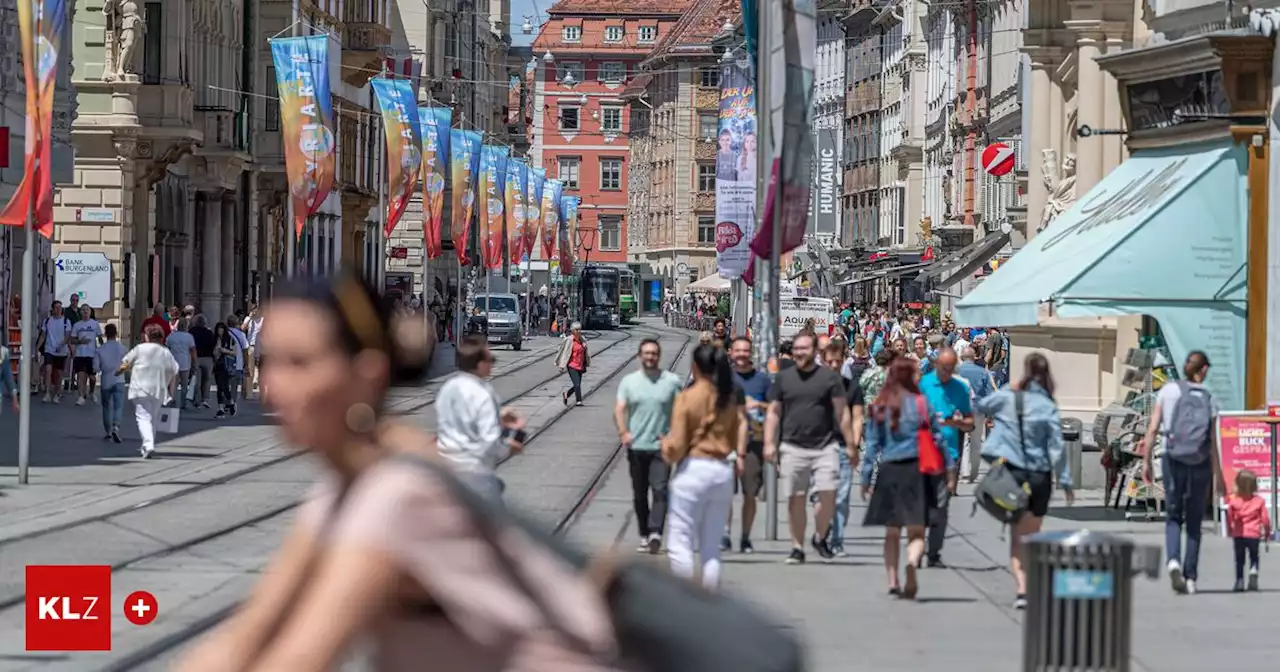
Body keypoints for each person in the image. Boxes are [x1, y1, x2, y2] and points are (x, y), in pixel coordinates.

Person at [174, 274, 617, 672]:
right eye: (269, 361)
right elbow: (249, 633)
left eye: (300, 363)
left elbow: (301, 657)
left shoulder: (400, 496)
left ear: (367, 375)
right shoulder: (345, 487)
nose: (273, 386)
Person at [977, 353, 1073, 609]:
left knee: (1017, 535)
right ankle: (1034, 583)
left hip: (1013, 473)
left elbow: (982, 405)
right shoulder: (1047, 404)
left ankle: (1022, 589)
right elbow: (1057, 447)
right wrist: (1065, 480)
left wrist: (1010, 387)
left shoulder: (1009, 397)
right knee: (1033, 533)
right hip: (1040, 476)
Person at [764, 332, 855, 564]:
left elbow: (842, 413)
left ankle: (819, 535)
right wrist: (769, 443)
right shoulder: (783, 379)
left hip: (825, 446)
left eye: (804, 349)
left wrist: (851, 444)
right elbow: (773, 412)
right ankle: (796, 546)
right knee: (796, 498)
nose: (799, 353)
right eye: (796, 349)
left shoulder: (829, 379)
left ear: (815, 352)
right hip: (792, 446)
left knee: (828, 494)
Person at [860, 357, 947, 599]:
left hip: (889, 470)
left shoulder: (881, 405)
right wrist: (947, 469)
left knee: (892, 531)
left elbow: (872, 446)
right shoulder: (921, 404)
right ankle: (911, 561)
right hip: (916, 470)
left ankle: (893, 581)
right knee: (917, 530)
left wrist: (866, 477)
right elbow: (937, 438)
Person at [661, 344, 744, 589]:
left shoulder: (687, 397)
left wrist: (665, 447)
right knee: (711, 548)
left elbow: (676, 446)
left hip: (694, 470)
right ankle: (710, 604)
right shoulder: (728, 398)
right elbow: (737, 434)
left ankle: (686, 605)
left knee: (681, 543)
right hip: (721, 472)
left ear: (695, 367)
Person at [1142, 350, 1223, 595]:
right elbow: (1213, 441)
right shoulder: (1209, 398)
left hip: (1172, 458)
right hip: (1198, 462)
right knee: (1195, 522)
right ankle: (1190, 577)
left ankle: (1173, 561)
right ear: (1204, 370)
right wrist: (1218, 475)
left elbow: (1153, 427)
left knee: (1174, 515)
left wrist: (1146, 460)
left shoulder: (1167, 392)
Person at [435, 335, 526, 502]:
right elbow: (490, 443)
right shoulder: (483, 393)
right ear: (480, 363)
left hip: (446, 470)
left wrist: (497, 416)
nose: (493, 364)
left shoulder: (448, 388)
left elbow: (458, 419)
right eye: (491, 359)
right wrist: (510, 447)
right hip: (476, 475)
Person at [614, 338, 683, 554]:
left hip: (661, 447)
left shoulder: (671, 381)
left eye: (654, 353)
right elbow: (619, 409)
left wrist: (675, 437)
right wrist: (624, 432)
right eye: (646, 353)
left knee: (660, 489)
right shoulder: (629, 382)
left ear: (659, 356)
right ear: (639, 356)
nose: (650, 357)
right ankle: (644, 533)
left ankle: (656, 533)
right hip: (636, 447)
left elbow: (682, 411)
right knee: (639, 494)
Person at [917, 347, 972, 567]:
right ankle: (917, 547)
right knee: (920, 506)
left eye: (951, 368)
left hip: (948, 455)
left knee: (940, 508)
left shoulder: (960, 388)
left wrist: (956, 423)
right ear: (936, 364)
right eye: (943, 368)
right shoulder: (923, 385)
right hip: (921, 453)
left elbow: (970, 423)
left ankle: (934, 553)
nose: (947, 372)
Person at [728, 337, 770, 553]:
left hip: (754, 442)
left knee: (750, 493)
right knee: (724, 491)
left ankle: (745, 536)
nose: (742, 354)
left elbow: (774, 409)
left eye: (746, 351)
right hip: (725, 442)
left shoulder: (762, 380)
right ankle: (725, 533)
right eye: (738, 351)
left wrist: (758, 404)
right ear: (731, 353)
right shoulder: (723, 378)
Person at [822, 340, 862, 556]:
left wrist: (853, 444)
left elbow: (857, 417)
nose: (835, 365)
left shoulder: (852, 386)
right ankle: (823, 533)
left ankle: (837, 540)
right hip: (819, 448)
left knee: (842, 498)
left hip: (843, 447)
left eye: (838, 361)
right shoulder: (817, 387)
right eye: (830, 362)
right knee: (823, 496)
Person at [117, 324, 179, 458]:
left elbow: (125, 363)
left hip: (140, 387)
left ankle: (148, 445)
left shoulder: (139, 349)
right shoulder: (165, 351)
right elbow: (174, 370)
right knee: (153, 419)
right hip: (157, 389)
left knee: (143, 417)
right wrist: (170, 392)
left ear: (147, 335)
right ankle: (148, 445)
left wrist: (120, 371)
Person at [1226, 469, 1271, 592]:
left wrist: (1230, 529)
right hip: (1254, 534)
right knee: (1254, 556)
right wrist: (1267, 532)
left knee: (1239, 560)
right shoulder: (1259, 501)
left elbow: (1229, 516)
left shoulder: (1234, 501)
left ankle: (1239, 580)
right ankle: (1253, 570)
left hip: (1239, 534)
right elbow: (1265, 519)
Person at [957, 346, 997, 482]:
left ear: (962, 357)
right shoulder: (983, 373)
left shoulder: (956, 372)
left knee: (963, 442)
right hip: (978, 410)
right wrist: (990, 415)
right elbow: (989, 394)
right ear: (974, 357)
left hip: (960, 410)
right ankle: (974, 471)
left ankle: (965, 471)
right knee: (976, 441)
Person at [95, 323, 128, 443]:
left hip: (106, 380)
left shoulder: (100, 350)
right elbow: (127, 364)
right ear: (116, 333)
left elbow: (96, 368)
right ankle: (116, 426)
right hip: (119, 379)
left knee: (106, 406)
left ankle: (108, 431)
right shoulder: (123, 348)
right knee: (118, 406)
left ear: (105, 334)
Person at [37, 300, 72, 403]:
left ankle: (57, 392)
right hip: (49, 349)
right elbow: (43, 336)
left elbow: (67, 336)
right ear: (53, 309)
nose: (58, 309)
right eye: (56, 307)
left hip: (61, 350)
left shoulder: (66, 321)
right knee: (48, 370)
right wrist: (36, 349)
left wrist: (61, 345)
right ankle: (47, 393)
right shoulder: (47, 321)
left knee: (59, 373)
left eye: (60, 307)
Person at [70, 304, 103, 405]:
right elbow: (72, 340)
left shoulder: (95, 324)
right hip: (80, 354)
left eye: (87, 310)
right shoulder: (77, 325)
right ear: (80, 312)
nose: (85, 312)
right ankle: (81, 396)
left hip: (92, 354)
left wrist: (103, 349)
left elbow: (100, 338)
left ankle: (92, 392)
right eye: (83, 310)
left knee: (92, 377)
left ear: (90, 312)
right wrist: (80, 341)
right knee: (80, 376)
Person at [213, 322, 244, 419]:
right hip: (217, 365)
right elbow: (213, 352)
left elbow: (234, 353)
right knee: (219, 387)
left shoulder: (230, 339)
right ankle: (220, 409)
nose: (220, 331)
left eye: (221, 329)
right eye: (218, 329)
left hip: (226, 365)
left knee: (224, 386)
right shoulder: (215, 339)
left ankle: (230, 402)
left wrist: (224, 350)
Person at [556, 322, 590, 407]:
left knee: (577, 385)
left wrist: (585, 349)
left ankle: (566, 394)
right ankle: (579, 401)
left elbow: (585, 353)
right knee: (577, 384)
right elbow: (564, 353)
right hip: (571, 365)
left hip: (580, 365)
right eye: (576, 330)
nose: (578, 331)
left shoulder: (583, 340)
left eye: (579, 329)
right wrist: (561, 366)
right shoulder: (569, 340)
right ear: (572, 331)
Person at [165, 318, 197, 409]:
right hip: (185, 363)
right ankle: (183, 403)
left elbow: (166, 348)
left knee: (173, 384)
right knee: (184, 384)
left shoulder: (172, 336)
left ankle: (172, 399)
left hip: (173, 363)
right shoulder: (189, 337)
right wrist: (195, 362)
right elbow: (193, 351)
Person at [190, 314, 217, 408]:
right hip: (208, 358)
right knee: (207, 379)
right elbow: (214, 344)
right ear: (205, 323)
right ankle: (205, 399)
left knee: (196, 379)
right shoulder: (209, 333)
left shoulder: (191, 332)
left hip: (196, 357)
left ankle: (197, 399)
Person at [242, 304, 265, 399]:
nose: (255, 312)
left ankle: (260, 388)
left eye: (256, 310)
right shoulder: (248, 319)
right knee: (249, 368)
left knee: (260, 367)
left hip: (261, 346)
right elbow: (242, 328)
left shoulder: (263, 320)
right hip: (250, 345)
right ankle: (248, 392)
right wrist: (249, 319)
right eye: (253, 310)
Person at [0, 343, 17, 415]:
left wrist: (15, 398)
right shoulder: (4, 353)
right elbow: (8, 377)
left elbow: (8, 377)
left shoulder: (3, 353)